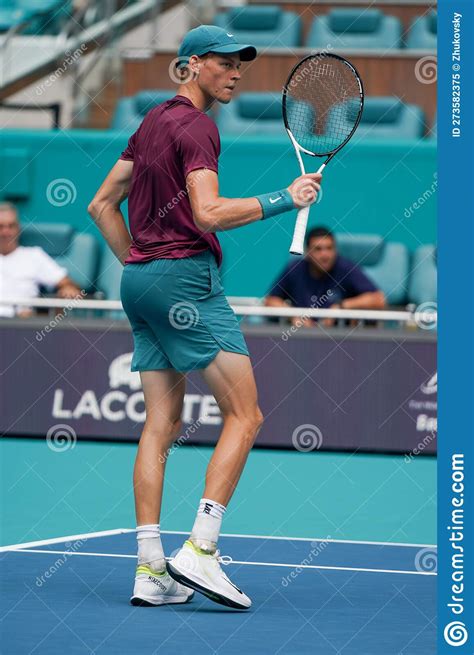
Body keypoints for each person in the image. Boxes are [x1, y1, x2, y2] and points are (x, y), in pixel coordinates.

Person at [88, 25, 322, 610]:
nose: (236, 71)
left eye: (240, 63)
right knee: (246, 414)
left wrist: (142, 268)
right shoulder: (197, 127)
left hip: (138, 282)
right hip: (187, 282)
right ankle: (201, 550)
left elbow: (100, 204)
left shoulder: (150, 123)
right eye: (224, 62)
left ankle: (150, 570)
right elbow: (209, 212)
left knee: (160, 427)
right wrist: (284, 199)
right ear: (191, 66)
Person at [265, 226, 386, 328]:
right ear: (307, 252)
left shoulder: (346, 268)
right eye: (318, 249)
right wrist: (293, 315)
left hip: (340, 340)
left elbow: (378, 299)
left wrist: (340, 307)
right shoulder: (295, 269)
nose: (325, 255)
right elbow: (270, 301)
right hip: (301, 339)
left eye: (329, 248)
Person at [0, 202, 81, 318]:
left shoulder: (34, 256)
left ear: (18, 228)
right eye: (0, 226)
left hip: (20, 325)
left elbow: (66, 283)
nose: (5, 232)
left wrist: (68, 288)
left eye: (11, 226)